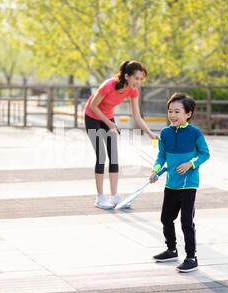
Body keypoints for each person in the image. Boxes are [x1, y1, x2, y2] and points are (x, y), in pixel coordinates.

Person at [84, 60, 158, 209]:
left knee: (114, 156)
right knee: (101, 156)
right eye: (136, 78)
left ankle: (114, 196)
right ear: (126, 76)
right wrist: (109, 123)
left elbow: (137, 117)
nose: (138, 82)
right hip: (92, 116)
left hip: (107, 118)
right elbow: (93, 105)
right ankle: (100, 198)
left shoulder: (133, 90)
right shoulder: (108, 85)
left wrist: (150, 133)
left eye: (140, 79)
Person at [149, 93, 210, 273]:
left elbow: (205, 154)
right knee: (166, 218)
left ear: (188, 114)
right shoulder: (165, 133)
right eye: (170, 111)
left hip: (189, 185)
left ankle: (191, 257)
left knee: (186, 222)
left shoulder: (195, 133)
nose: (173, 115)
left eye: (177, 111)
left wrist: (191, 163)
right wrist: (156, 170)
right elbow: (161, 156)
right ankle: (171, 250)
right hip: (171, 184)